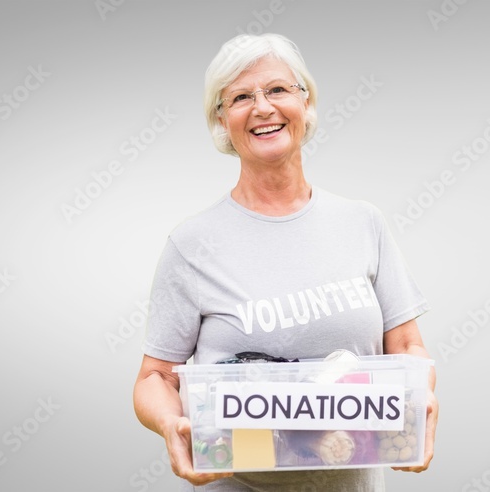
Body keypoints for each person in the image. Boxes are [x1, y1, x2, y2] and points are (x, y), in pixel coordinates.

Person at [132, 33, 438, 491]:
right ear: (222, 120)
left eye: (277, 89)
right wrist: (173, 424)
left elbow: (409, 348)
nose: (261, 107)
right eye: (240, 97)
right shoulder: (192, 244)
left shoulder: (363, 223)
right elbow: (153, 378)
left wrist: (422, 400)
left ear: (305, 100)